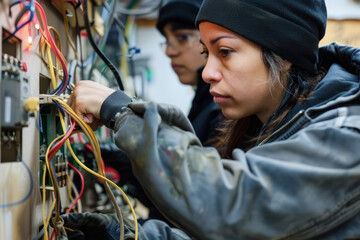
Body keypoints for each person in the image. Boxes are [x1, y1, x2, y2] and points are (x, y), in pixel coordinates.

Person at [64, 0, 360, 239]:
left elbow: (233, 209)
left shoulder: (347, 134)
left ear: (284, 53)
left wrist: (122, 112)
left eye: (226, 52)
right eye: (207, 53)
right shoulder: (269, 126)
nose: (207, 73)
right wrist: (128, 235)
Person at [156, 0, 223, 145]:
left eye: (182, 37)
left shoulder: (223, 108)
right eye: (166, 40)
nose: (169, 51)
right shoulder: (202, 100)